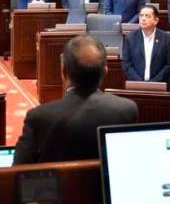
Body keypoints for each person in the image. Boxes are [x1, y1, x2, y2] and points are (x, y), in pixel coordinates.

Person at [13, 35, 138, 164]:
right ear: (105, 71)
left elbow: (17, 173)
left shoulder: (38, 117)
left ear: (63, 72)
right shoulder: (126, 110)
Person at [121, 5, 170, 84]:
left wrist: (153, 82)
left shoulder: (167, 38)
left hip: (159, 85)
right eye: (141, 16)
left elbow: (169, 65)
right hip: (135, 85)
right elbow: (126, 64)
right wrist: (140, 83)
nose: (143, 19)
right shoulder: (130, 38)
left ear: (156, 20)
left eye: (147, 16)